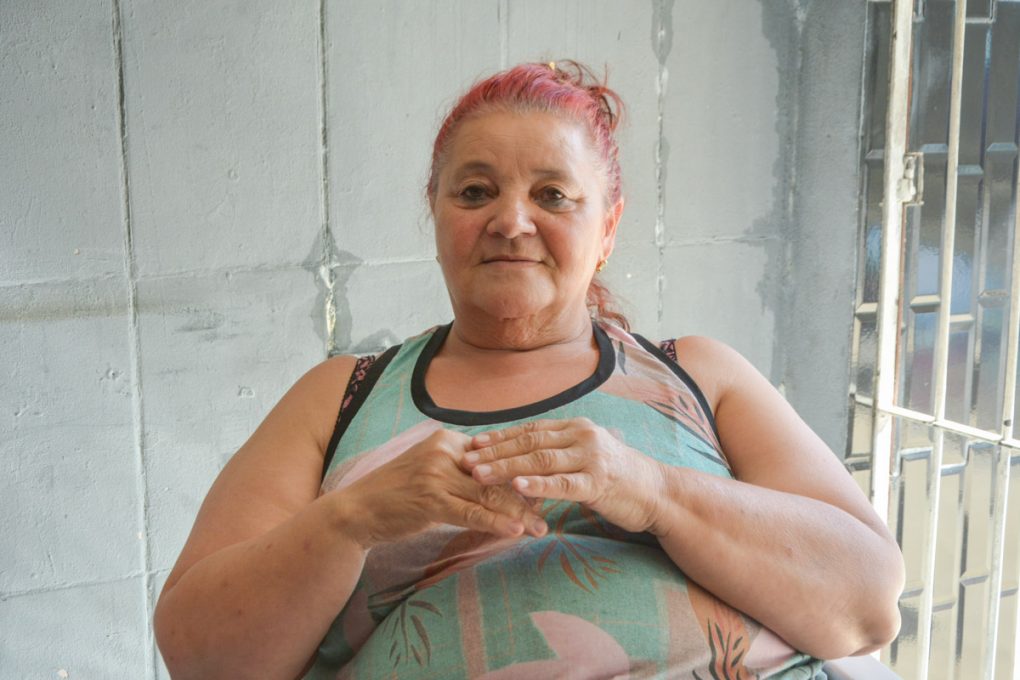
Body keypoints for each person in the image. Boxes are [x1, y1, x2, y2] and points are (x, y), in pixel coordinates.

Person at [153, 61, 904, 679]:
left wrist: (653, 490)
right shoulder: (340, 397)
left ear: (607, 228)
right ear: (436, 214)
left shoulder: (700, 375)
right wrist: (354, 519)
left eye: (553, 195)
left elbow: (867, 605)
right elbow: (201, 658)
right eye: (476, 192)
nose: (512, 222)